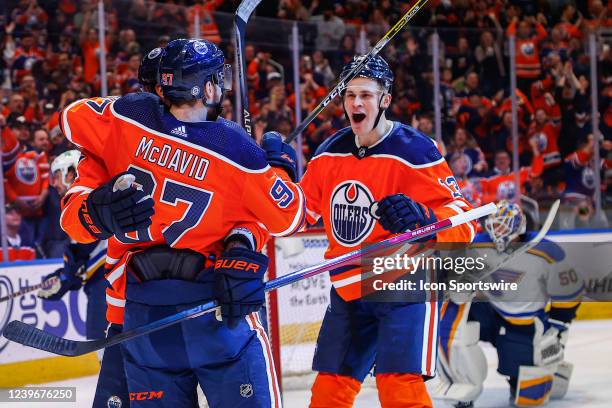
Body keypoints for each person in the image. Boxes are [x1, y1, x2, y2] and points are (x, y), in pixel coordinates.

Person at [58, 38, 305, 407]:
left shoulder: (125, 117)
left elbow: (71, 118)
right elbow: (290, 219)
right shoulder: (236, 150)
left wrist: (94, 211)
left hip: (138, 317)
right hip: (214, 309)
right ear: (207, 87)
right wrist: (280, 169)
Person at [297, 55, 476, 408]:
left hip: (404, 283)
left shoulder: (415, 150)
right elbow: (297, 214)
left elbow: (465, 222)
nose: (356, 103)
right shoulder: (327, 153)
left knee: (399, 389)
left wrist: (425, 218)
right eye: (350, 95)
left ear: (385, 100)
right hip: (349, 288)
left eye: (365, 94)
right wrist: (271, 175)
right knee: (328, 392)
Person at [432, 201, 581, 407]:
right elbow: (449, 266)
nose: (496, 232)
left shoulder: (545, 251)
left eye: (502, 226)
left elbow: (570, 290)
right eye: (495, 225)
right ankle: (462, 383)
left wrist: (559, 328)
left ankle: (551, 371)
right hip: (490, 313)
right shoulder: (478, 244)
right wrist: (457, 279)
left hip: (525, 325)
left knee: (528, 398)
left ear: (518, 226)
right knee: (453, 305)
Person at [35, 150, 130, 408]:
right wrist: (63, 278)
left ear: (71, 172)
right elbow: (81, 261)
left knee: (105, 347)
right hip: (108, 282)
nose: (54, 183)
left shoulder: (86, 200)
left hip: (111, 285)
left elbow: (85, 257)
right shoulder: (82, 202)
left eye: (57, 175)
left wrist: (64, 278)